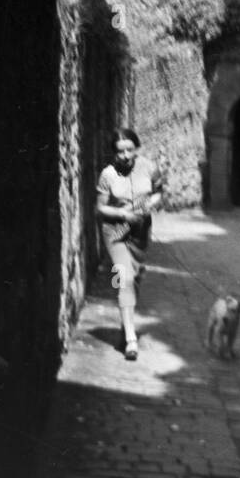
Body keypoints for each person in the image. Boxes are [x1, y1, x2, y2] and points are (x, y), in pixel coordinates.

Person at [96, 128, 162, 360]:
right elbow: (100, 207)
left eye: (129, 150)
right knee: (124, 278)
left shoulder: (148, 167)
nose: (125, 156)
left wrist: (147, 207)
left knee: (136, 278)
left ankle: (126, 325)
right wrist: (123, 215)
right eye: (120, 152)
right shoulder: (108, 175)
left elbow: (158, 193)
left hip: (141, 232)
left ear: (137, 149)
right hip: (115, 232)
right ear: (114, 153)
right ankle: (131, 340)